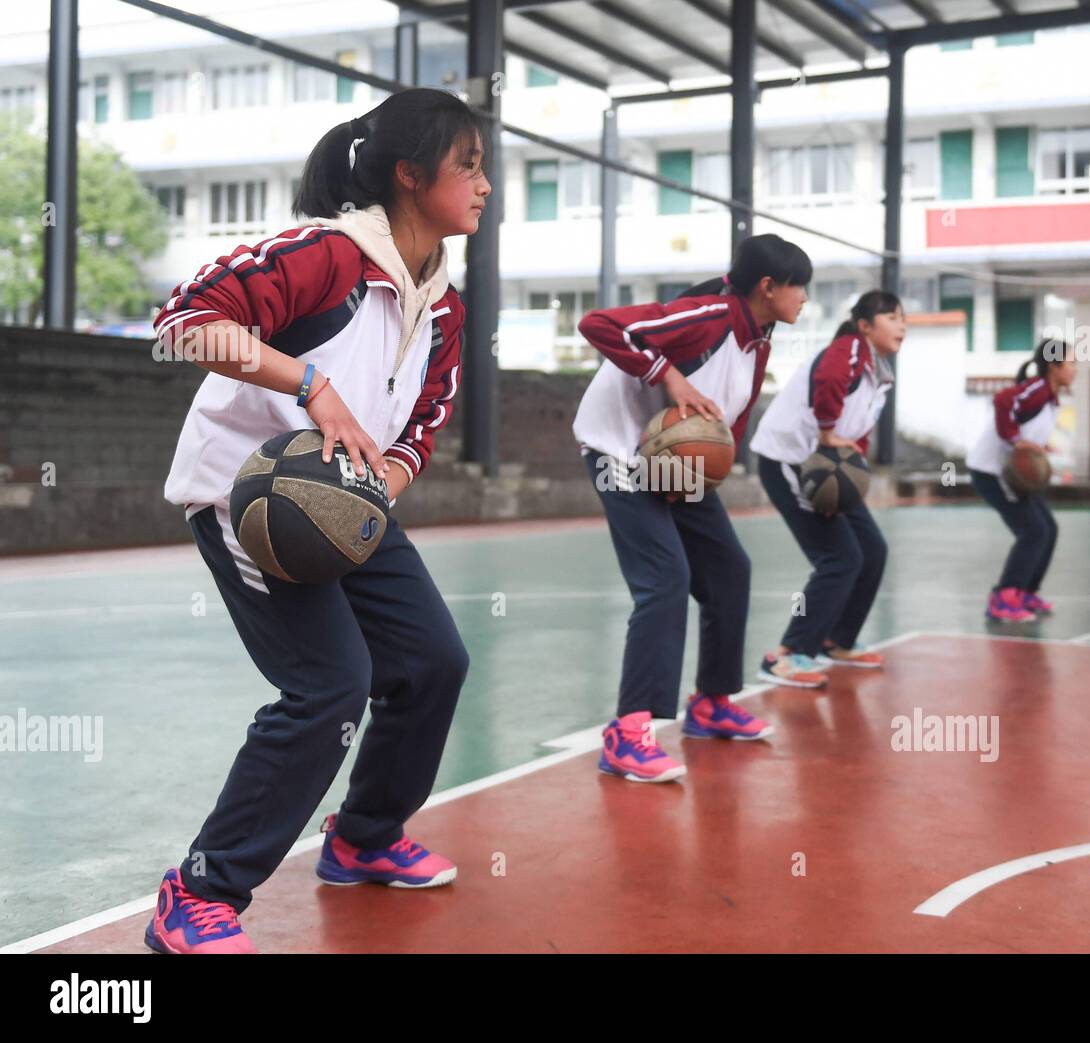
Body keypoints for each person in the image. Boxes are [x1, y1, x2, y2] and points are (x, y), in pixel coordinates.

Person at [145, 88, 488, 953]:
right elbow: (184, 321)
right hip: (250, 496)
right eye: (470, 165)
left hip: (345, 499)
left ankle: (363, 837)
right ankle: (198, 891)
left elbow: (424, 421)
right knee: (329, 685)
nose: (486, 185)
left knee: (432, 661)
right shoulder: (326, 256)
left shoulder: (443, 301)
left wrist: (386, 481)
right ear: (411, 176)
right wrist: (307, 382)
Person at [573, 234, 812, 782]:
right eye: (799, 286)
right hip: (619, 453)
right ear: (768, 287)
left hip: (675, 462)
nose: (804, 298)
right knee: (665, 578)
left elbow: (728, 428)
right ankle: (627, 733)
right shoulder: (709, 316)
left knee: (730, 569)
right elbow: (601, 324)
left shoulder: (759, 344)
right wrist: (669, 375)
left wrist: (706, 473)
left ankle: (711, 703)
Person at [749, 289, 904, 686]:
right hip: (789, 460)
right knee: (839, 559)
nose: (901, 325)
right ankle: (787, 653)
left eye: (904, 319)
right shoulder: (850, 348)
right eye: (892, 317)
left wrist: (851, 478)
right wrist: (826, 431)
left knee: (871, 551)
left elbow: (858, 438)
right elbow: (829, 378)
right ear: (865, 326)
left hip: (827, 467)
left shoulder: (879, 374)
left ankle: (837, 640)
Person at [966, 338, 1077, 622]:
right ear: (1054, 365)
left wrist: (1038, 446)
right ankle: (1003, 599)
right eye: (1071, 362)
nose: (1076, 369)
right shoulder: (1038, 389)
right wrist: (1015, 440)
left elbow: (1028, 428)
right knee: (1033, 531)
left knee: (1048, 528)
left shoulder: (1049, 397)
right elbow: (1002, 400)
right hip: (992, 471)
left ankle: (1025, 592)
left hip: (1008, 474)